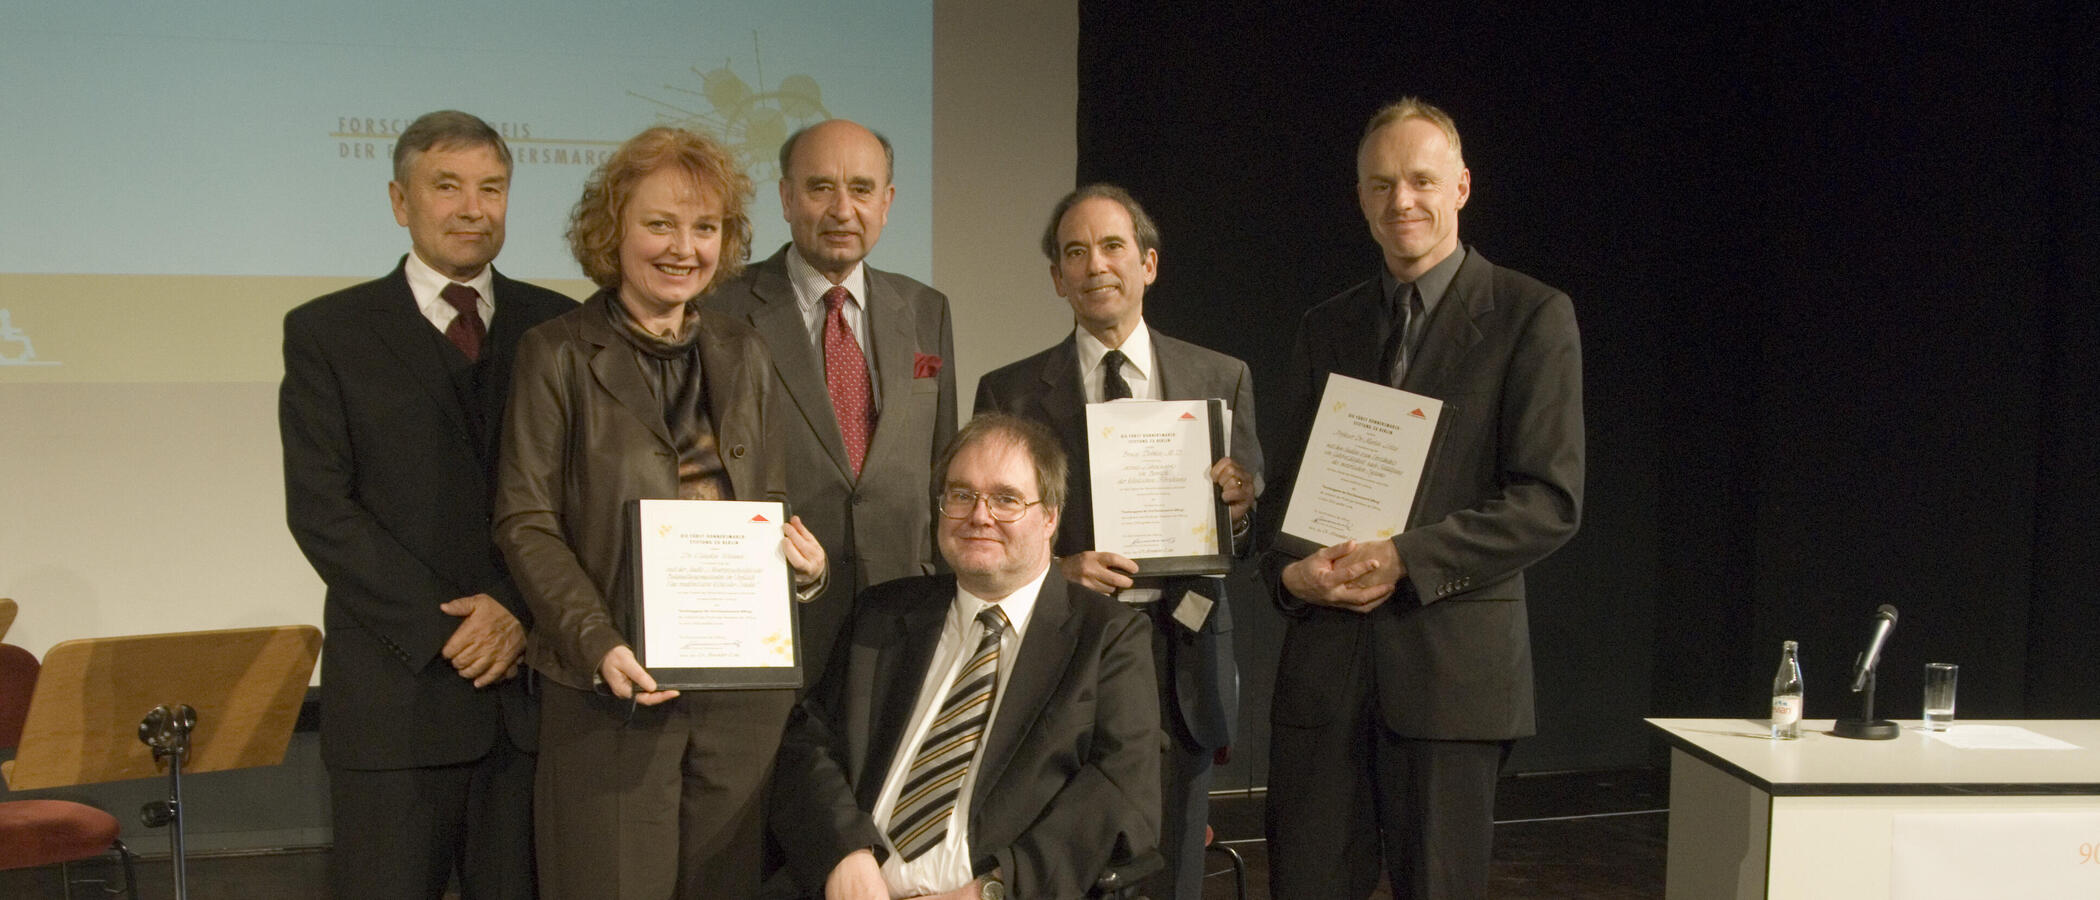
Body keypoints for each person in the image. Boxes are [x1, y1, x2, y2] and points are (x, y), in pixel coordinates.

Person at [493, 126, 829, 900]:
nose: (684, 248)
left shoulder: (744, 350)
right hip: (611, 695)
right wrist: (596, 642)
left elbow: (766, 505)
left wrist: (802, 571)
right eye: (660, 224)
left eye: (704, 228)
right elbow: (526, 520)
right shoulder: (557, 354)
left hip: (739, 697)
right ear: (613, 230)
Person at [1261, 98, 1585, 900]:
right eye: (1380, 184)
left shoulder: (1532, 316)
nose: (1401, 201)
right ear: (1360, 198)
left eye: (1421, 180)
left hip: (1450, 678)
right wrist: (1287, 576)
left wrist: (1405, 557)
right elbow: (1288, 501)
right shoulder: (1326, 326)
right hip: (1325, 674)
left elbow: (1548, 499)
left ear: (1462, 187)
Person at [279, 109, 575, 899]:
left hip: (529, 705)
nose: (472, 208)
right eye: (446, 187)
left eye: (492, 188)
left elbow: (582, 500)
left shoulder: (561, 327)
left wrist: (515, 610)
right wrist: (452, 628)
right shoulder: (327, 333)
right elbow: (321, 509)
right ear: (399, 201)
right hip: (395, 706)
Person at [973, 184, 1260, 900]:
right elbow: (985, 538)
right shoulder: (1007, 392)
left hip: (1181, 657)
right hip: (1063, 656)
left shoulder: (1219, 377)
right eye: (1075, 252)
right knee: (1053, 869)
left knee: (1171, 874)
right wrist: (1057, 567)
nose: (1095, 265)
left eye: (1112, 246)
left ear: (1149, 264)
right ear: (1056, 279)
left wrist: (1239, 509)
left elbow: (1245, 539)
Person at [771, 413, 1160, 900]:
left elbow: (1120, 792)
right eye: (960, 494)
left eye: (1006, 499)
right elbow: (809, 740)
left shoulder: (1107, 637)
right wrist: (844, 854)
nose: (979, 515)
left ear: (1050, 517)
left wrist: (990, 891)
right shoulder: (883, 611)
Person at [706, 118, 957, 690]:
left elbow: (943, 465)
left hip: (904, 612)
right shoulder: (721, 306)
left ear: (888, 202)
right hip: (774, 612)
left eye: (862, 189)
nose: (843, 209)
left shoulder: (926, 309)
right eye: (821, 188)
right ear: (787, 198)